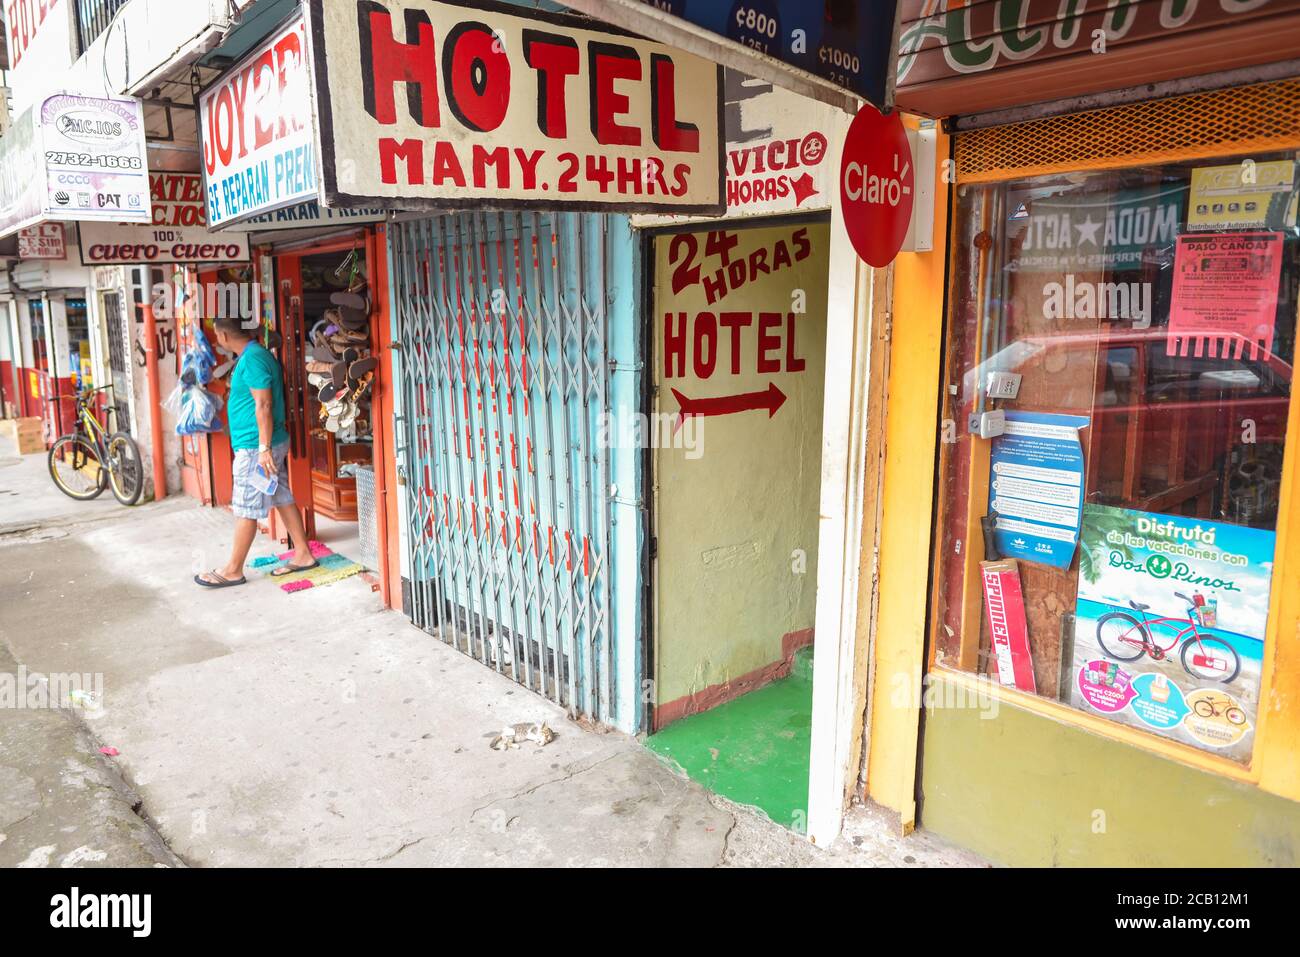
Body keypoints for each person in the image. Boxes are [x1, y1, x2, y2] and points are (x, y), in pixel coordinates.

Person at [194, 318, 318, 588]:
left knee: (246, 507)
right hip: (262, 444)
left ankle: (232, 570)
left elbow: (263, 404)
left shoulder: (252, 359)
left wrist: (263, 449)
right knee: (281, 494)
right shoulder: (255, 355)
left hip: (256, 447)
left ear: (224, 335)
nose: (217, 340)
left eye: (217, 335)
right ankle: (304, 553)